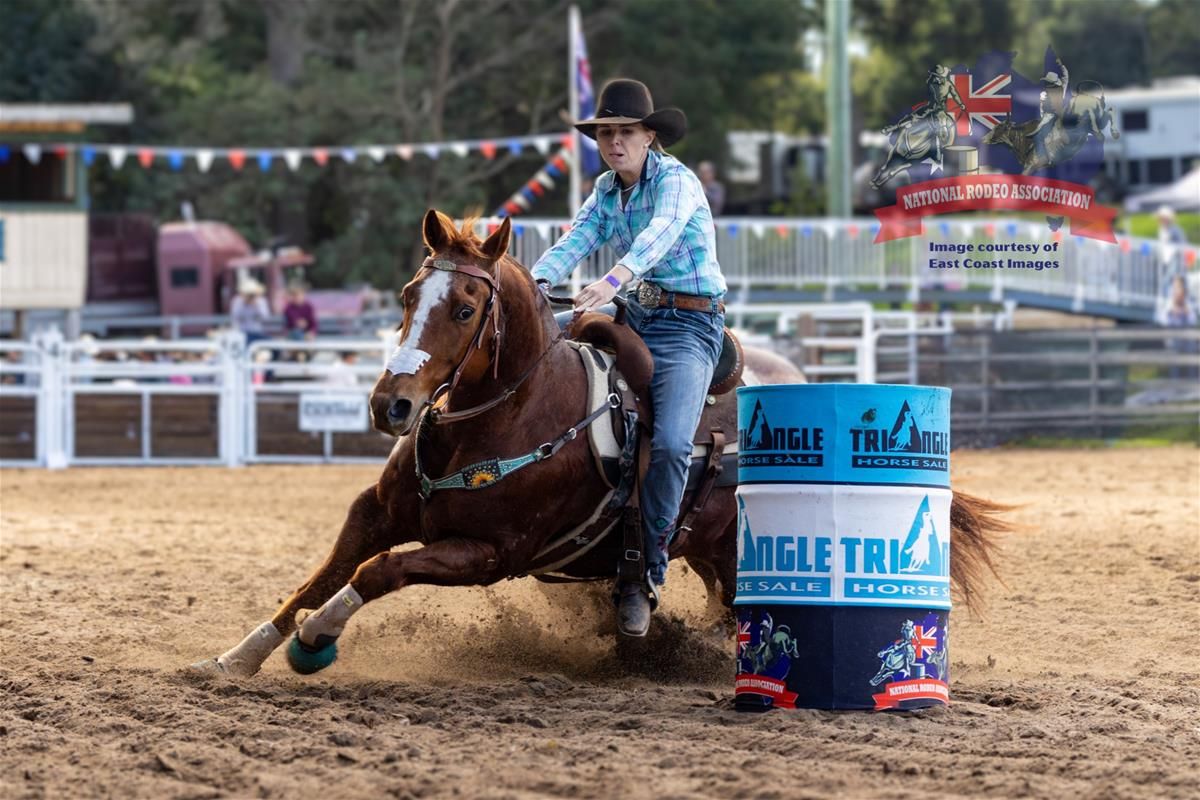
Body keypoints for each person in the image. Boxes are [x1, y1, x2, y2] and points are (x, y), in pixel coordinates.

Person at [530, 78, 727, 637]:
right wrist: (532, 282)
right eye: (606, 133)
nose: (614, 142)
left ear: (649, 138)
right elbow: (576, 238)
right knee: (538, 344)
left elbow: (657, 239)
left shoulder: (679, 183)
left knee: (668, 446)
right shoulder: (605, 190)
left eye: (625, 133)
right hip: (635, 312)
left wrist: (612, 281)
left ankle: (646, 571)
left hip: (690, 324)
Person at [230, 277, 270, 346]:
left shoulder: (261, 301)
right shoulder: (237, 301)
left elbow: (265, 317)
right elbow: (235, 316)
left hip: (257, 332)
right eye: (249, 294)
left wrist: (256, 306)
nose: (250, 296)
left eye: (252, 294)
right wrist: (243, 304)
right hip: (241, 333)